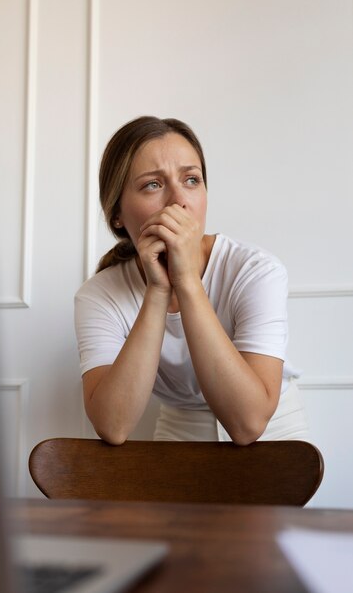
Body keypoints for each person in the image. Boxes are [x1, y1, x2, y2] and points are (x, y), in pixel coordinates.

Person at [75, 115, 308, 445]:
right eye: (152, 185)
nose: (178, 200)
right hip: (179, 433)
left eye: (191, 180)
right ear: (117, 213)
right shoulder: (98, 296)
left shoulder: (256, 271)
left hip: (274, 433)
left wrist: (186, 282)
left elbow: (248, 424)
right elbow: (113, 426)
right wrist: (158, 289)